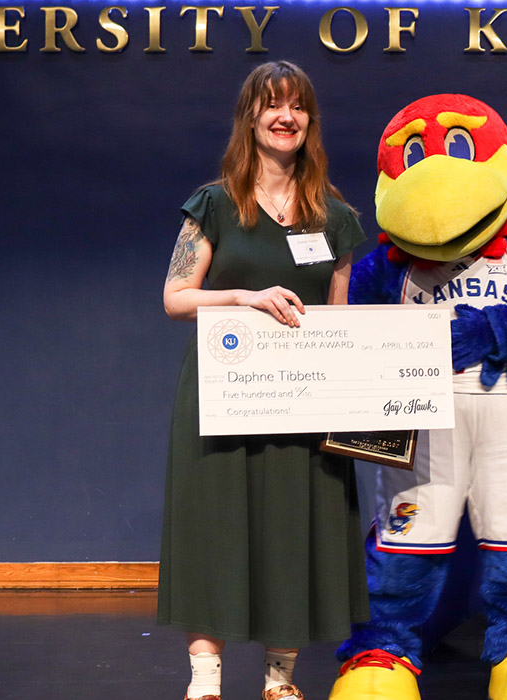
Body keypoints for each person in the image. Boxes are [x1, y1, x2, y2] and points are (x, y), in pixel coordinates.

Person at [157, 61, 369, 700]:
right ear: (250, 116)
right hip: (224, 394)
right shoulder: (214, 204)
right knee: (215, 522)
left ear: (310, 121)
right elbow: (174, 298)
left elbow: (339, 319)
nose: (286, 117)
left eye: (298, 106)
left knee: (296, 524)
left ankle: (280, 677)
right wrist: (245, 297)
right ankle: (206, 677)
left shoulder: (335, 218)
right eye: (273, 104)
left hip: (302, 401)